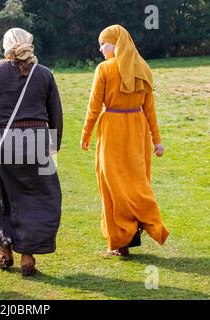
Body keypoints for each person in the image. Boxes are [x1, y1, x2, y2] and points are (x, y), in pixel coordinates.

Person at [0, 28, 63, 276]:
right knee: (38, 200)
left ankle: (5, 250)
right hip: (37, 143)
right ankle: (27, 256)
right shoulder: (44, 74)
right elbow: (56, 114)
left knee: (4, 198)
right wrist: (53, 144)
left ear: (6, 46)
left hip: (4, 142)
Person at [80, 25, 169, 257]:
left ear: (117, 44)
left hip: (112, 130)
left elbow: (94, 106)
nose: (100, 48)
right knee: (135, 182)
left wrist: (86, 134)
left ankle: (121, 240)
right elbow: (149, 110)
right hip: (136, 130)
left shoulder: (104, 69)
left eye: (104, 43)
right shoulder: (143, 68)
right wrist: (156, 140)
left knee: (112, 185)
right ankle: (141, 227)